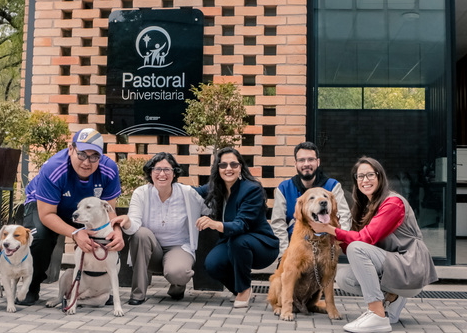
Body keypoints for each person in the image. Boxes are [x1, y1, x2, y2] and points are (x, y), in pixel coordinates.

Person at [312, 156, 438, 333]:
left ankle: (376, 313)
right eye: (360, 176)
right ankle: (391, 300)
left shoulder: (393, 202)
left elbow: (364, 240)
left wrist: (331, 230)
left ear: (380, 177)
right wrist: (336, 238)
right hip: (395, 268)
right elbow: (354, 249)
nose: (365, 180)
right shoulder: (366, 207)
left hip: (410, 268)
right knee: (344, 277)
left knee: (357, 247)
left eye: (370, 175)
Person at [17, 128, 123, 306]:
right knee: (41, 236)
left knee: (105, 239)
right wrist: (75, 233)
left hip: (82, 210)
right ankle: (31, 286)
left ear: (101, 156)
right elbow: (47, 215)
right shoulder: (54, 168)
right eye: (81, 154)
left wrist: (117, 231)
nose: (87, 162)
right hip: (47, 207)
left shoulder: (109, 169)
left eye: (94, 156)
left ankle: (99, 289)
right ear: (71, 149)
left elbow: (109, 211)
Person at [114, 152, 210, 305]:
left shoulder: (187, 193)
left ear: (174, 173)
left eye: (167, 170)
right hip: (151, 250)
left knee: (178, 273)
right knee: (141, 234)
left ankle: (177, 287)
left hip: (179, 248)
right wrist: (126, 222)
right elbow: (134, 226)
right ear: (150, 172)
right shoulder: (141, 193)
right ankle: (138, 293)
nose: (162, 174)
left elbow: (207, 211)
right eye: (157, 169)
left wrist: (212, 220)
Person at [195, 147, 279, 308]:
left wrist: (214, 224)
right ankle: (239, 287)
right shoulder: (216, 187)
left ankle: (244, 289)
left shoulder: (251, 189)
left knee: (239, 241)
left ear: (240, 167)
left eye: (233, 164)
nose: (228, 169)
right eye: (223, 165)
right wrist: (168, 186)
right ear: (217, 168)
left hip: (261, 246)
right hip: (232, 242)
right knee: (212, 264)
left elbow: (241, 225)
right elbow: (193, 192)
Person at [271, 142, 352, 258]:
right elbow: (278, 223)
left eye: (311, 159)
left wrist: (337, 246)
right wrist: (284, 255)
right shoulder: (284, 188)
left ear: (318, 162)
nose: (306, 164)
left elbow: (344, 216)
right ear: (295, 164)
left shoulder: (332, 186)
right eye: (301, 160)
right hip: (296, 250)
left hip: (326, 248)